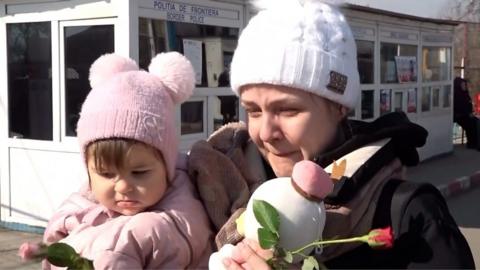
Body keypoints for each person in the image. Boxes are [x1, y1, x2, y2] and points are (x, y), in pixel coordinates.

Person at [188, 0, 475, 269]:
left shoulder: (408, 216)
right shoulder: (211, 191)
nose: (266, 132)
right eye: (253, 111)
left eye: (288, 110)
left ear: (339, 107)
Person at [43, 52, 213, 269]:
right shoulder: (81, 202)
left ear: (167, 166)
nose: (123, 186)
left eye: (139, 172)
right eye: (106, 174)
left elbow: (156, 235)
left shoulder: (180, 216)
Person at [454, 76, 479, 150]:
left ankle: (475, 142)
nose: (464, 86)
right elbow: (458, 107)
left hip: (467, 114)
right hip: (459, 115)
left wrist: (471, 113)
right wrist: (468, 114)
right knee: (470, 124)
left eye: (465, 85)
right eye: (463, 85)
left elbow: (468, 104)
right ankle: (471, 143)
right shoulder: (456, 95)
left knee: (476, 122)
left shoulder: (465, 93)